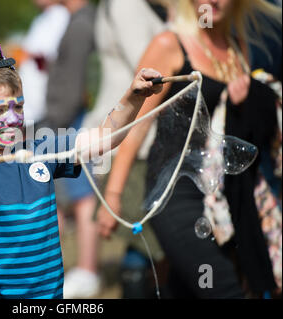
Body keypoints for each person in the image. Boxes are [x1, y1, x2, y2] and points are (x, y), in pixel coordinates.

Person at [0, 39, 164, 299]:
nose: (12, 118)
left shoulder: (41, 151)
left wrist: (133, 96)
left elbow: (104, 139)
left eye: (19, 107)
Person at [97, 0, 281, 298]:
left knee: (188, 289)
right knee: (225, 289)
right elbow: (138, 124)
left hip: (225, 194)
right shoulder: (169, 44)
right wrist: (114, 195)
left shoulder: (238, 46)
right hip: (175, 193)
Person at [91, 0, 168, 298]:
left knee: (148, 239)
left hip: (134, 133)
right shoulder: (126, 4)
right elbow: (151, 71)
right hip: (131, 137)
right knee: (146, 238)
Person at [39, 0, 100, 298]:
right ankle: (61, 270)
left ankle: (88, 270)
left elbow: (74, 87)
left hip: (69, 124)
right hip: (64, 123)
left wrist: (51, 123)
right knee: (67, 198)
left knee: (82, 195)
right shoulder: (77, 20)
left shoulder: (81, 23)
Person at [18, 0, 70, 125]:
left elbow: (50, 55)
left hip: (43, 99)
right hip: (31, 101)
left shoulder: (60, 15)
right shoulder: (42, 17)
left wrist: (24, 54)